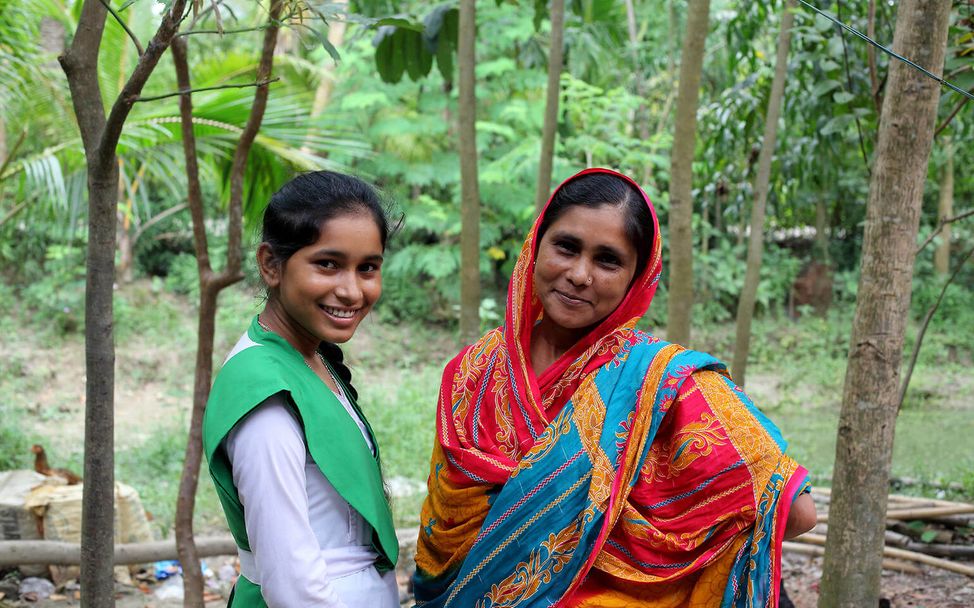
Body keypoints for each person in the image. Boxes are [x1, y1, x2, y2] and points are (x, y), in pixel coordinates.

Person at [413, 168, 816, 607]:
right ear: (535, 244)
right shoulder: (472, 374)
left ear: (636, 278)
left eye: (608, 260)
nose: (580, 274)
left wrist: (613, 544)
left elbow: (793, 510)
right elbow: (442, 541)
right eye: (566, 247)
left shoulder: (665, 384)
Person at [203, 171, 400, 608]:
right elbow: (293, 588)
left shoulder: (310, 357)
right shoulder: (265, 398)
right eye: (327, 264)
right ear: (271, 265)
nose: (352, 291)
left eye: (367, 267)